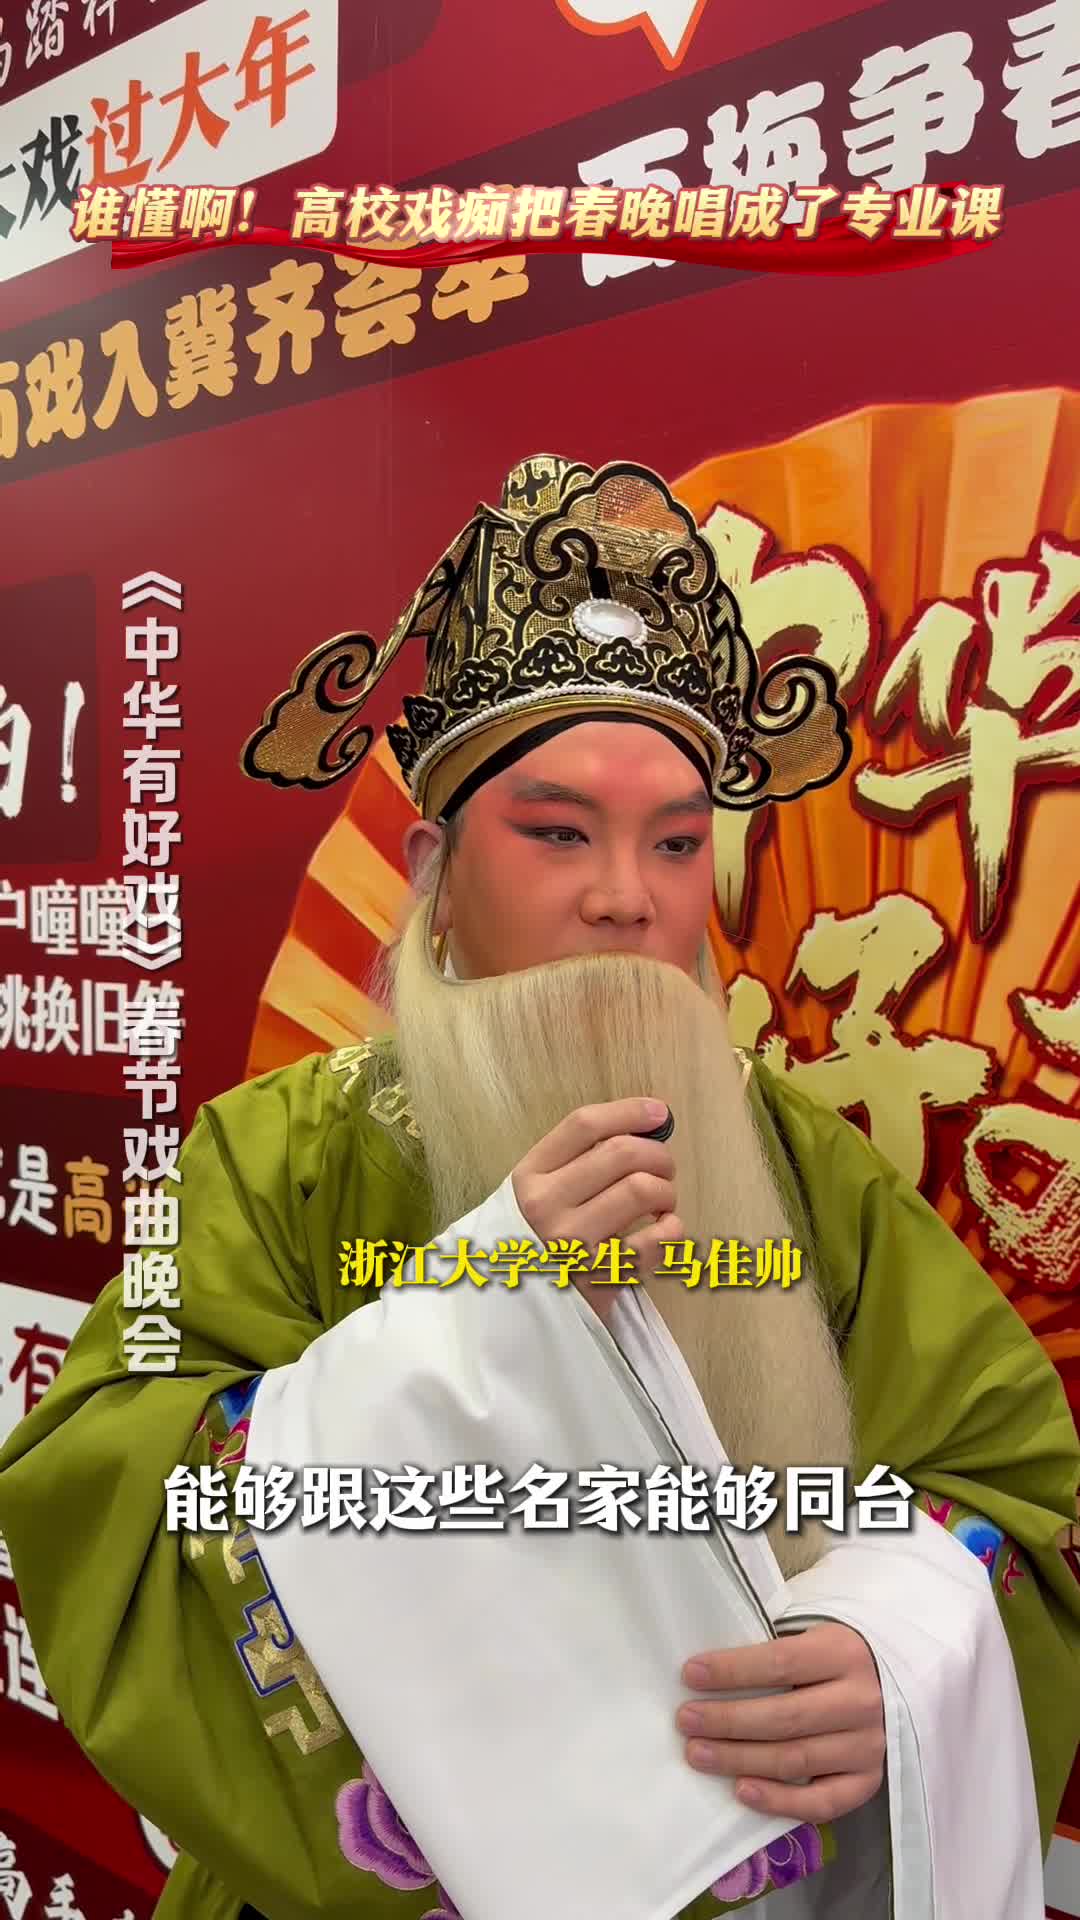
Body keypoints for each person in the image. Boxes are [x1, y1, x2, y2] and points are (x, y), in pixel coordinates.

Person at [0, 455, 1077, 1920]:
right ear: (437, 869)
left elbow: (1007, 1485)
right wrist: (472, 1324)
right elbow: (107, 1476)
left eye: (678, 843)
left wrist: (895, 1651)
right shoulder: (271, 1154)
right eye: (558, 832)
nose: (627, 895)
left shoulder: (801, 1170)